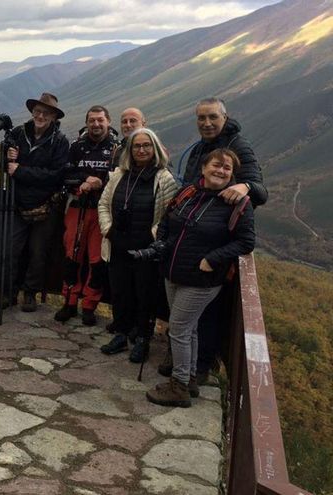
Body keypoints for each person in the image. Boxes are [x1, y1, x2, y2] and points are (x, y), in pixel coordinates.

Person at [146, 148, 255, 407]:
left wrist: (213, 259)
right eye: (216, 165)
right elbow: (167, 220)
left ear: (232, 174)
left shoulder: (238, 203)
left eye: (227, 168)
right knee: (189, 327)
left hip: (203, 279)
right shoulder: (189, 193)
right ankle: (190, 378)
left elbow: (246, 241)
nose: (221, 171)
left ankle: (179, 386)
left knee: (180, 329)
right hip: (173, 271)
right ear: (204, 168)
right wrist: (161, 243)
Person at [176, 97, 268, 383]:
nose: (206, 123)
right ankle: (187, 363)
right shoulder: (201, 148)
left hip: (216, 243)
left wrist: (245, 185)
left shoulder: (238, 146)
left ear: (224, 118)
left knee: (209, 311)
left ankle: (200, 368)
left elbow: (261, 191)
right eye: (201, 118)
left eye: (212, 117)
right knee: (188, 310)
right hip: (192, 238)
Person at [98, 128, 178, 362]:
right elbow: (103, 204)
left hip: (146, 252)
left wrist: (152, 240)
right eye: (136, 146)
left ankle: (143, 338)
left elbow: (167, 215)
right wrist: (108, 230)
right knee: (120, 293)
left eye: (146, 145)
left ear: (154, 148)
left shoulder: (163, 178)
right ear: (129, 150)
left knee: (145, 296)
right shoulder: (119, 175)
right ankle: (121, 334)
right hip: (118, 245)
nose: (141, 150)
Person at [0, 92, 69, 312]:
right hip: (16, 204)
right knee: (10, 251)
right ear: (32, 112)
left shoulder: (60, 141)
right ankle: (8, 293)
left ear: (54, 117)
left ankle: (30, 293)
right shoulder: (18, 133)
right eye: (37, 111)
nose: (40, 115)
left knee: (38, 254)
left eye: (46, 113)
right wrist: (6, 156)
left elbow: (56, 175)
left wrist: (22, 171)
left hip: (46, 206)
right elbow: (6, 166)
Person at [55, 105, 119, 325]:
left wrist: (100, 181)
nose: (96, 124)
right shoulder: (77, 146)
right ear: (87, 122)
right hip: (77, 207)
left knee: (96, 260)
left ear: (108, 121)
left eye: (100, 120)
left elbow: (120, 178)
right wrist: (85, 179)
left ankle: (90, 305)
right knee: (72, 257)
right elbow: (65, 173)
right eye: (92, 120)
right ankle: (69, 302)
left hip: (102, 211)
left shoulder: (116, 149)